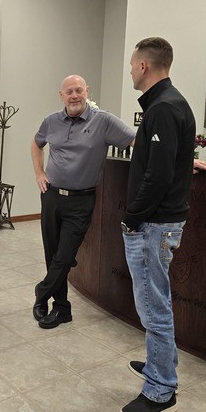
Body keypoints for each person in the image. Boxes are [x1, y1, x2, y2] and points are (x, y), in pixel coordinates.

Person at [121, 37, 195, 412]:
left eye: (132, 65)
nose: (131, 71)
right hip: (158, 223)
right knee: (154, 304)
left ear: (144, 66)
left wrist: (132, 217)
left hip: (154, 225)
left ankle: (161, 389)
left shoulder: (164, 108)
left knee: (154, 308)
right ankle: (158, 365)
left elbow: (159, 174)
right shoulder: (167, 104)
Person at [31, 75, 136, 329]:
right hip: (51, 197)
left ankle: (41, 291)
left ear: (87, 91)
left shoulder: (103, 121)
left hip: (81, 201)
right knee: (52, 254)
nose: (74, 95)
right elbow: (36, 143)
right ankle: (61, 308)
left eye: (79, 90)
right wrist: (39, 173)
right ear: (61, 95)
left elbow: (138, 142)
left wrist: (182, 158)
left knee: (64, 256)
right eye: (69, 91)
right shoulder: (51, 121)